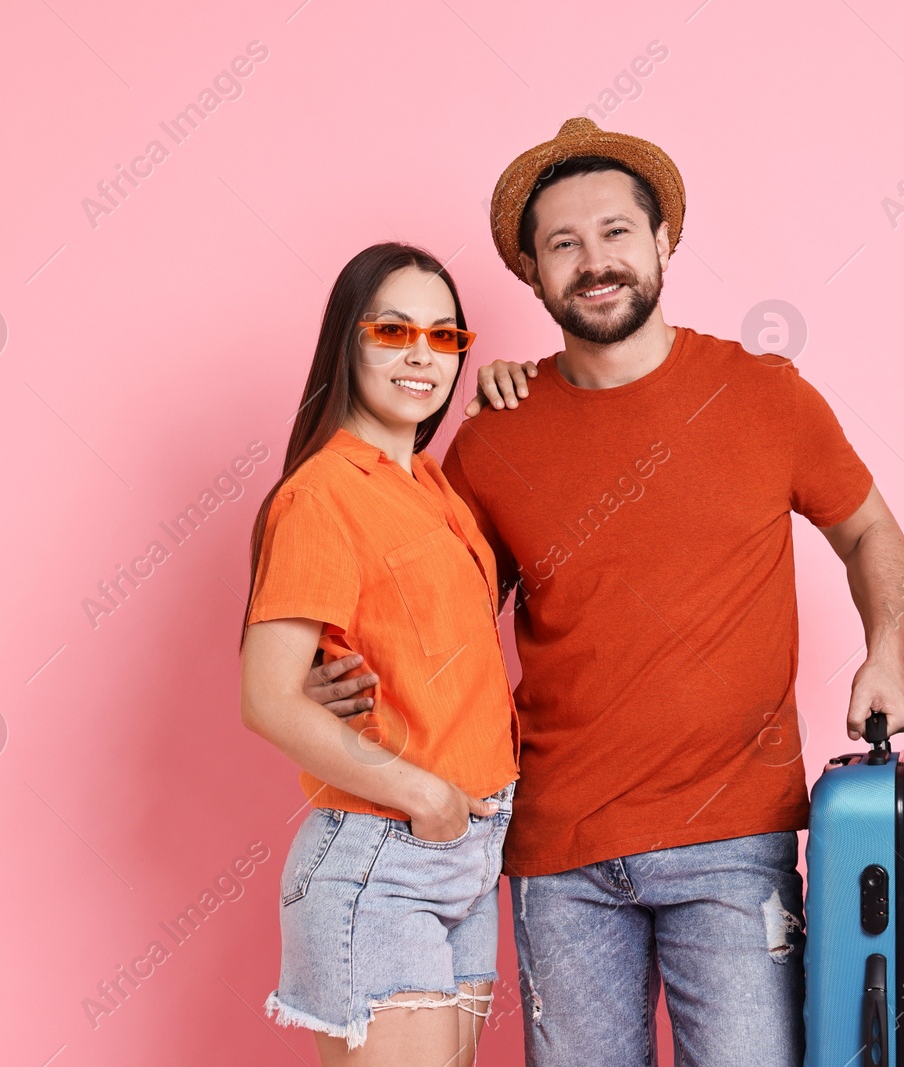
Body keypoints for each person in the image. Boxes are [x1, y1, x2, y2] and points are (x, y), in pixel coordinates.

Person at [448, 119, 904, 1065]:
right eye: (564, 244)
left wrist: (887, 651)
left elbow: (868, 527)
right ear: (535, 277)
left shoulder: (764, 395)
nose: (595, 261)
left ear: (663, 241)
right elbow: (441, 615)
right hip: (558, 850)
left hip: (732, 842)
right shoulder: (494, 436)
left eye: (617, 232)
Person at [238, 242, 520, 1066]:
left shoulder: (432, 486)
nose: (420, 355)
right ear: (347, 341)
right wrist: (423, 794)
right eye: (393, 330)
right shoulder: (322, 494)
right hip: (384, 855)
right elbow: (267, 697)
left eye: (443, 337)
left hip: (469, 851)